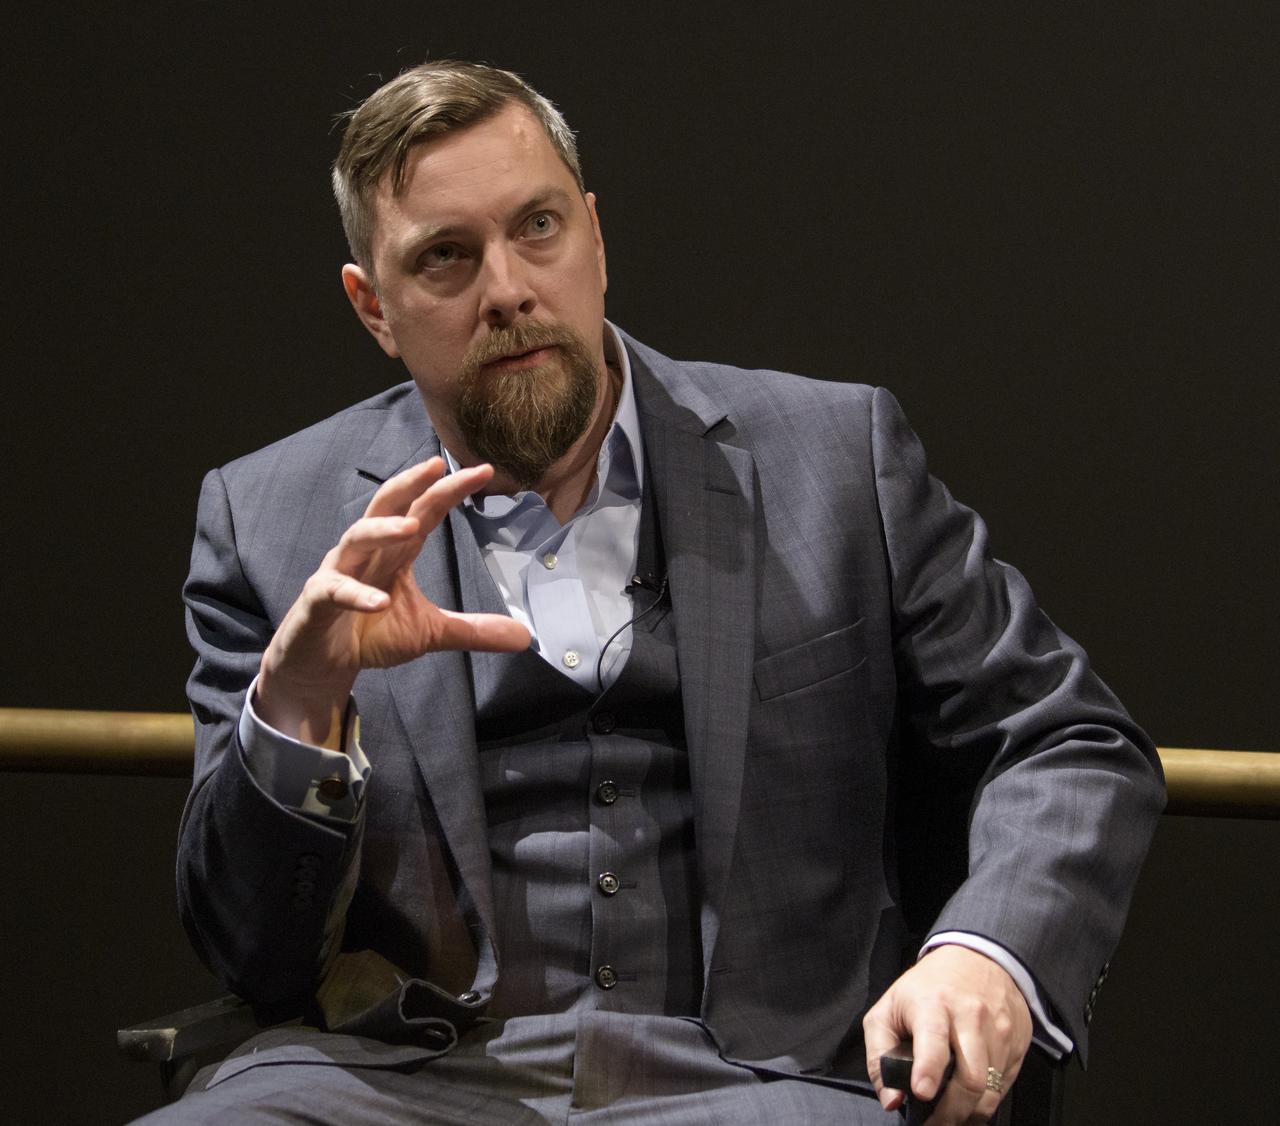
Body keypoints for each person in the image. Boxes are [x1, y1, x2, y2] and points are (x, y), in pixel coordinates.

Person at [146, 60, 1164, 1125]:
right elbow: (251, 950)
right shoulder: (271, 518)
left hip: (763, 1084)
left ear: (593, 235)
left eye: (535, 227)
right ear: (374, 308)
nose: (506, 289)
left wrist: (983, 952)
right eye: (444, 257)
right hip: (401, 1085)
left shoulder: (831, 459)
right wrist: (300, 710)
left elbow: (1064, 738)